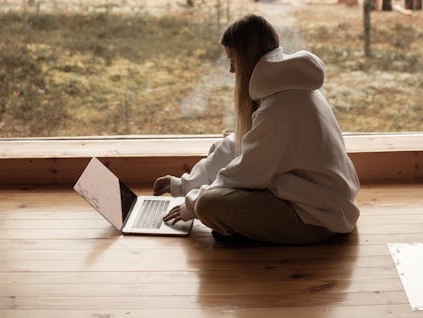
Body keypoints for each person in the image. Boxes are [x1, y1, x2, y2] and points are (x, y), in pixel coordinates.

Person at [153, 13, 360, 244]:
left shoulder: (279, 110)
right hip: (309, 196)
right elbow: (239, 145)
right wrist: (183, 185)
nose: (232, 71)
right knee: (221, 148)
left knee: (208, 205)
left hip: (316, 217)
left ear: (248, 59)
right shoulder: (287, 88)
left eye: (233, 62)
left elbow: (247, 172)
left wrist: (190, 205)